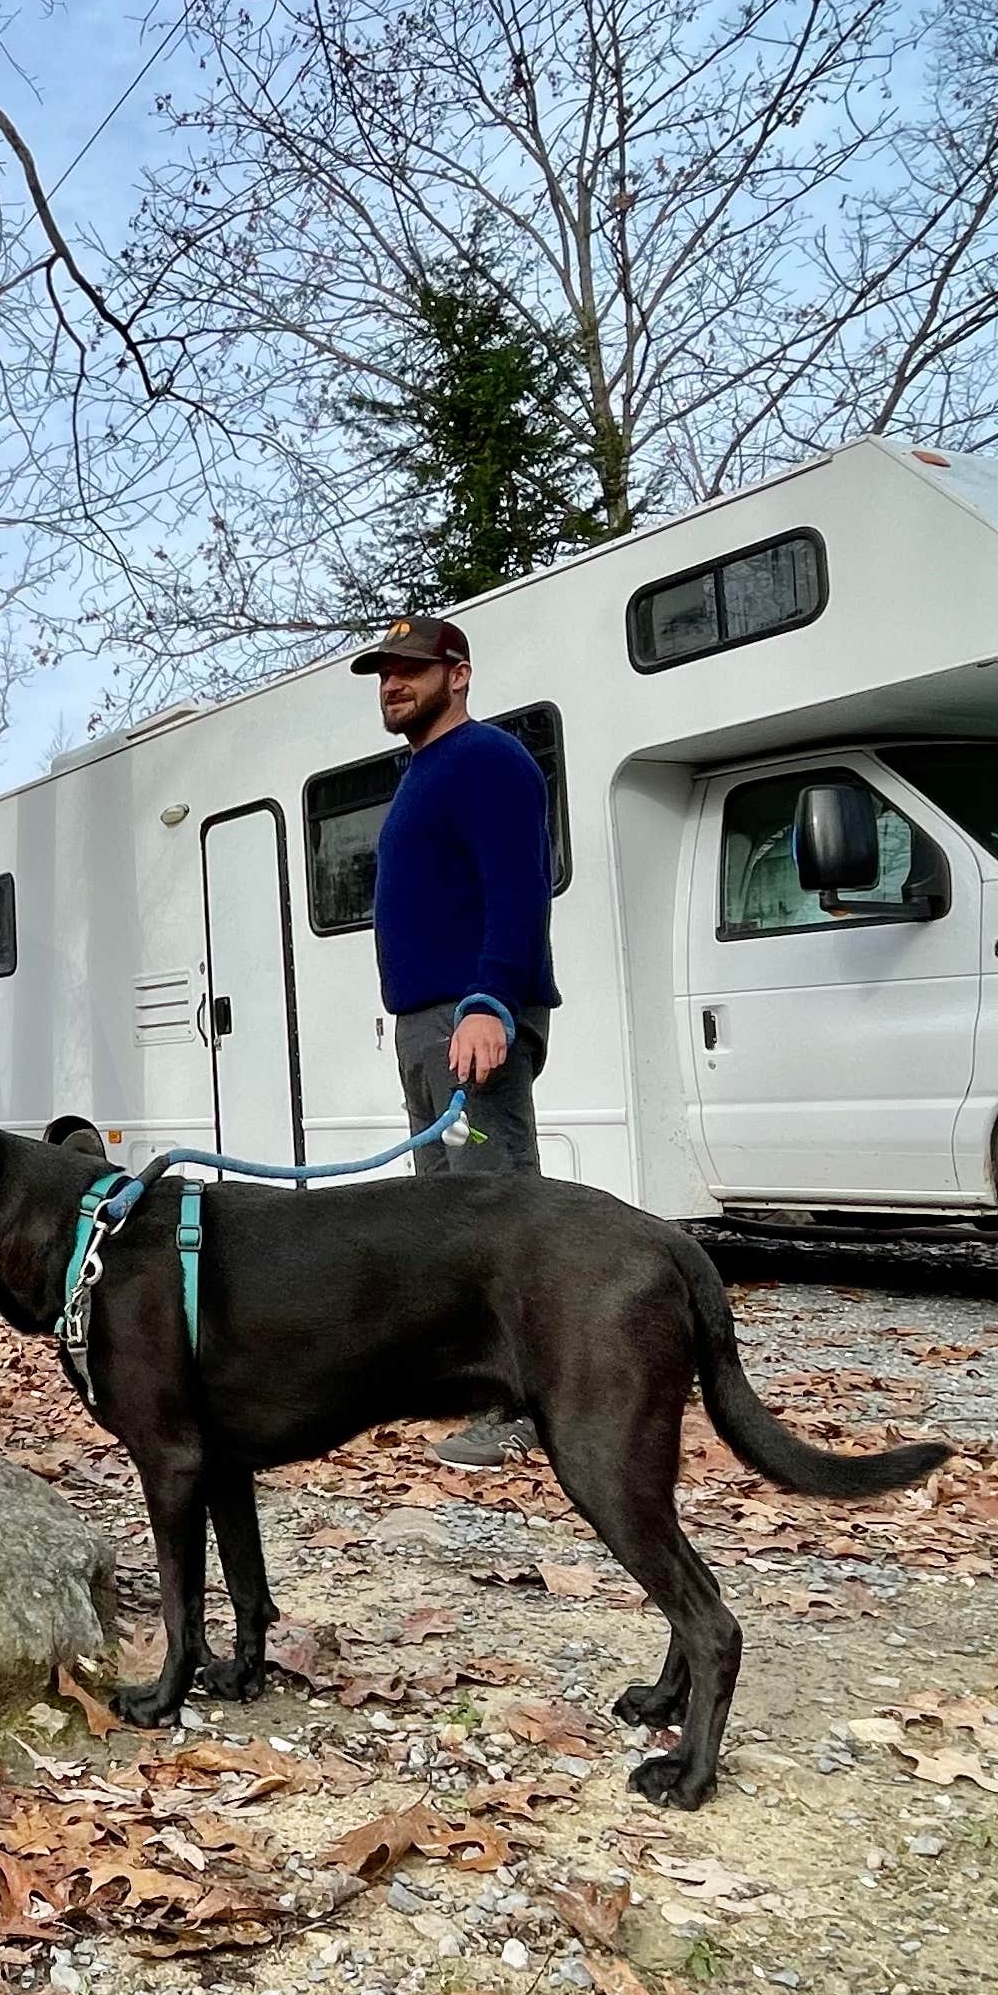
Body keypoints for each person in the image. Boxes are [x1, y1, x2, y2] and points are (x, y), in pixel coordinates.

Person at [347, 611, 559, 1468]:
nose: (393, 685)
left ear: (457, 674)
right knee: (442, 1218)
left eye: (410, 670)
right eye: (384, 675)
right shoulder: (424, 773)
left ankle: (531, 1405)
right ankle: (476, 1387)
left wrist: (490, 1001)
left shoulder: (487, 760)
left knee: (495, 1210)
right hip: (426, 1024)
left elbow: (519, 889)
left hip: (469, 1017)